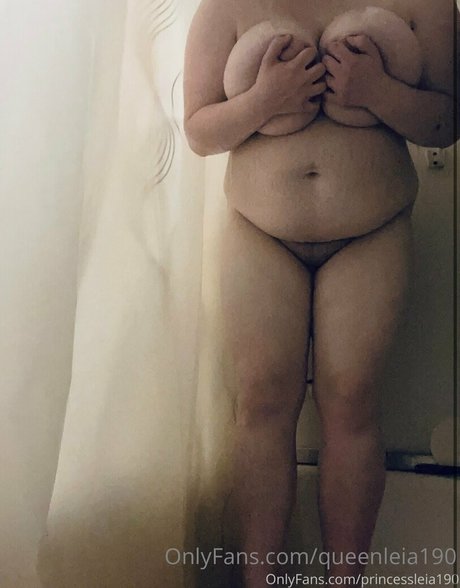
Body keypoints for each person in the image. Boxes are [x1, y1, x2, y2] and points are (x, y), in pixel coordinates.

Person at [183, 1, 458, 586]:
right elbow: (199, 132)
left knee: (352, 398)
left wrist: (379, 92)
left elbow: (446, 121)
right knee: (261, 399)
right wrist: (263, 101)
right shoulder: (225, 5)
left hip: (372, 229)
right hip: (260, 231)